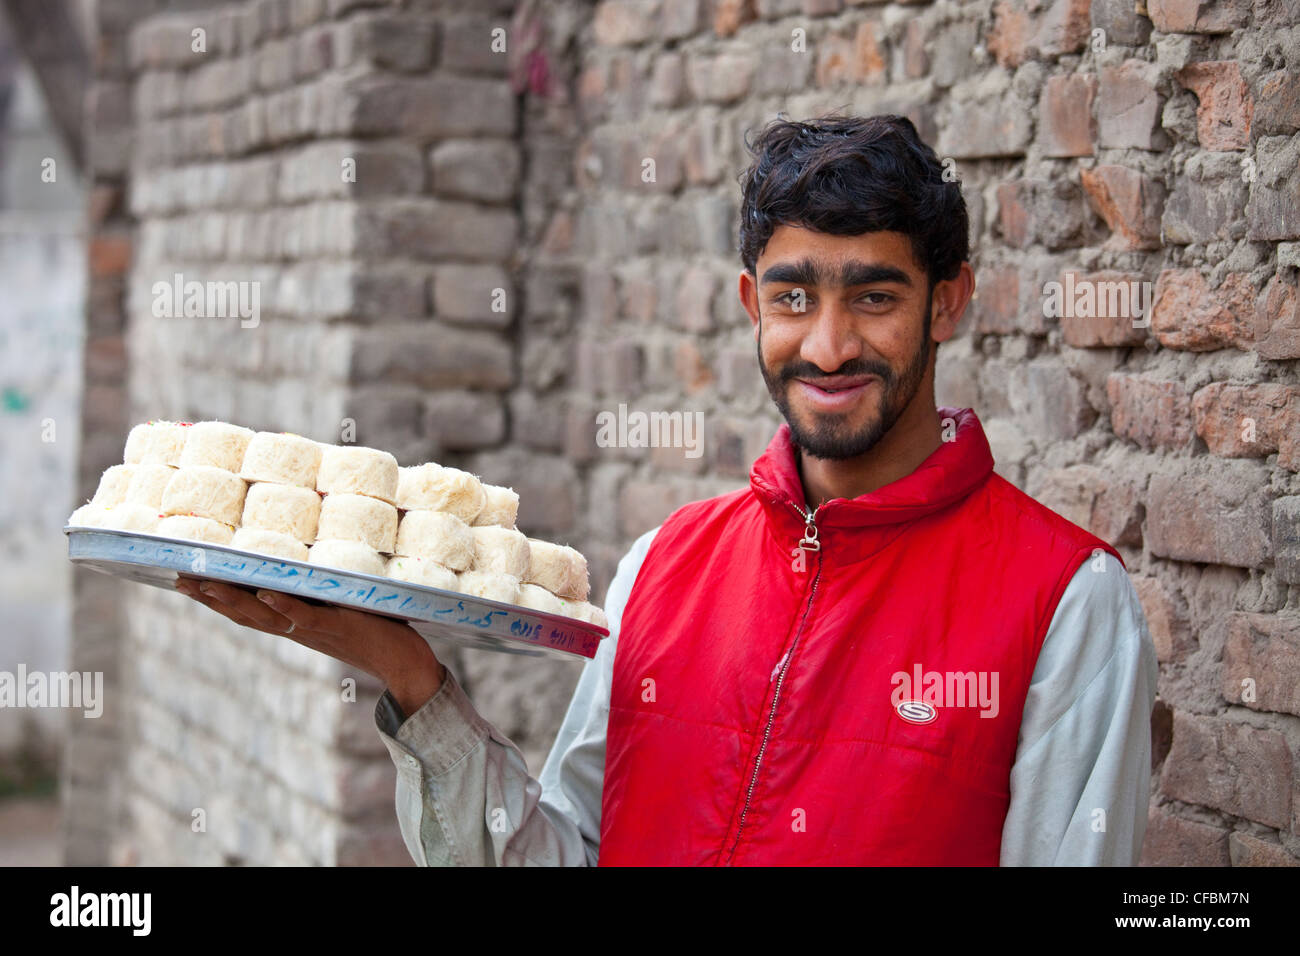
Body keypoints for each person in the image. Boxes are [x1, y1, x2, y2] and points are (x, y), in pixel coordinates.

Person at [176, 112, 1158, 866]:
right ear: (748, 303)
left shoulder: (1065, 603)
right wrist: (409, 677)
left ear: (947, 300)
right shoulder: (662, 567)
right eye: (791, 296)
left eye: (873, 294)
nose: (826, 344)